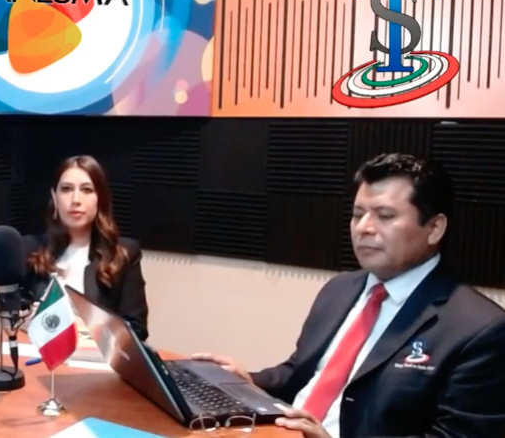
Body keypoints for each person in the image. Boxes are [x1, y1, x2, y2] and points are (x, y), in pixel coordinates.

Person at [193, 153, 505, 438]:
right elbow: (300, 374)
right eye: (358, 215)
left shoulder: (480, 330)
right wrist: (247, 382)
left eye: (385, 215)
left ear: (434, 228)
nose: (363, 228)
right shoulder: (340, 289)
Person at [22, 155, 150, 341]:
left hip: (97, 357)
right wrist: (21, 320)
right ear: (55, 198)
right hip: (37, 354)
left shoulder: (124, 253)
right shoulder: (30, 249)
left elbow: (137, 329)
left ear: (100, 199)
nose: (75, 199)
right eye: (66, 189)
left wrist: (78, 326)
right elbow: (8, 315)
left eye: (87, 190)